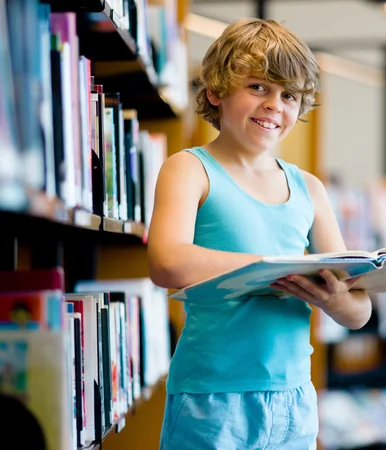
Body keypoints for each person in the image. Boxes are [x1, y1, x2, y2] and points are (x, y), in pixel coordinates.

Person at [148, 17, 372, 450]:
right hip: (212, 397)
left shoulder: (310, 188)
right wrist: (272, 267)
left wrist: (335, 298)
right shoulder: (189, 168)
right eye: (258, 87)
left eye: (289, 95)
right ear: (216, 90)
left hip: (294, 399)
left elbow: (358, 309)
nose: (275, 104)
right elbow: (167, 261)